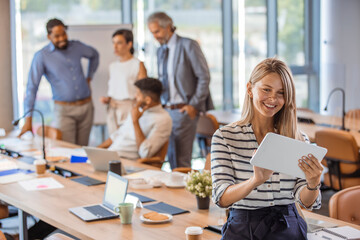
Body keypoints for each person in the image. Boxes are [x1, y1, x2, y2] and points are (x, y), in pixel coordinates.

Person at [211, 58, 323, 240]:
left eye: (281, 93)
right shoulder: (225, 137)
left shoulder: (298, 139)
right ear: (250, 89)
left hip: (289, 228)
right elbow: (221, 197)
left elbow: (306, 201)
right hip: (243, 229)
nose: (273, 99)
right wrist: (255, 180)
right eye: (266, 89)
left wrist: (313, 183)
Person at [147, 12, 213, 169]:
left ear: (168, 27)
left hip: (184, 109)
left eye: (157, 31)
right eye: (152, 33)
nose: (155, 36)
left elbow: (204, 77)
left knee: (181, 160)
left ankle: (184, 193)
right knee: (170, 157)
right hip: (166, 110)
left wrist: (193, 105)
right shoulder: (161, 50)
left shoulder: (188, 45)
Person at [19, 18, 99, 146]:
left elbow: (94, 54)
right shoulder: (42, 56)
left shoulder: (76, 46)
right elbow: (32, 88)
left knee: (83, 150)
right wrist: (28, 120)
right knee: (67, 150)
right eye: (57, 36)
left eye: (64, 34)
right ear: (48, 36)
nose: (62, 38)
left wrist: (89, 77)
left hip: (86, 107)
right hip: (64, 110)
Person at [97, 78, 172, 160]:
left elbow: (145, 153)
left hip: (127, 161)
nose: (135, 96)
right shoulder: (138, 109)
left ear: (148, 100)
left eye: (138, 94)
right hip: (112, 155)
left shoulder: (163, 119)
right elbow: (117, 135)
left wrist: (135, 121)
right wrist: (96, 150)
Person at [100, 29, 147, 135]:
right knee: (114, 141)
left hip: (129, 109)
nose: (115, 47)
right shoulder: (113, 66)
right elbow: (117, 89)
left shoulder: (137, 64)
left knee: (127, 141)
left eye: (119, 43)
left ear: (129, 44)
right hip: (113, 108)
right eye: (113, 43)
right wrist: (108, 99)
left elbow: (143, 92)